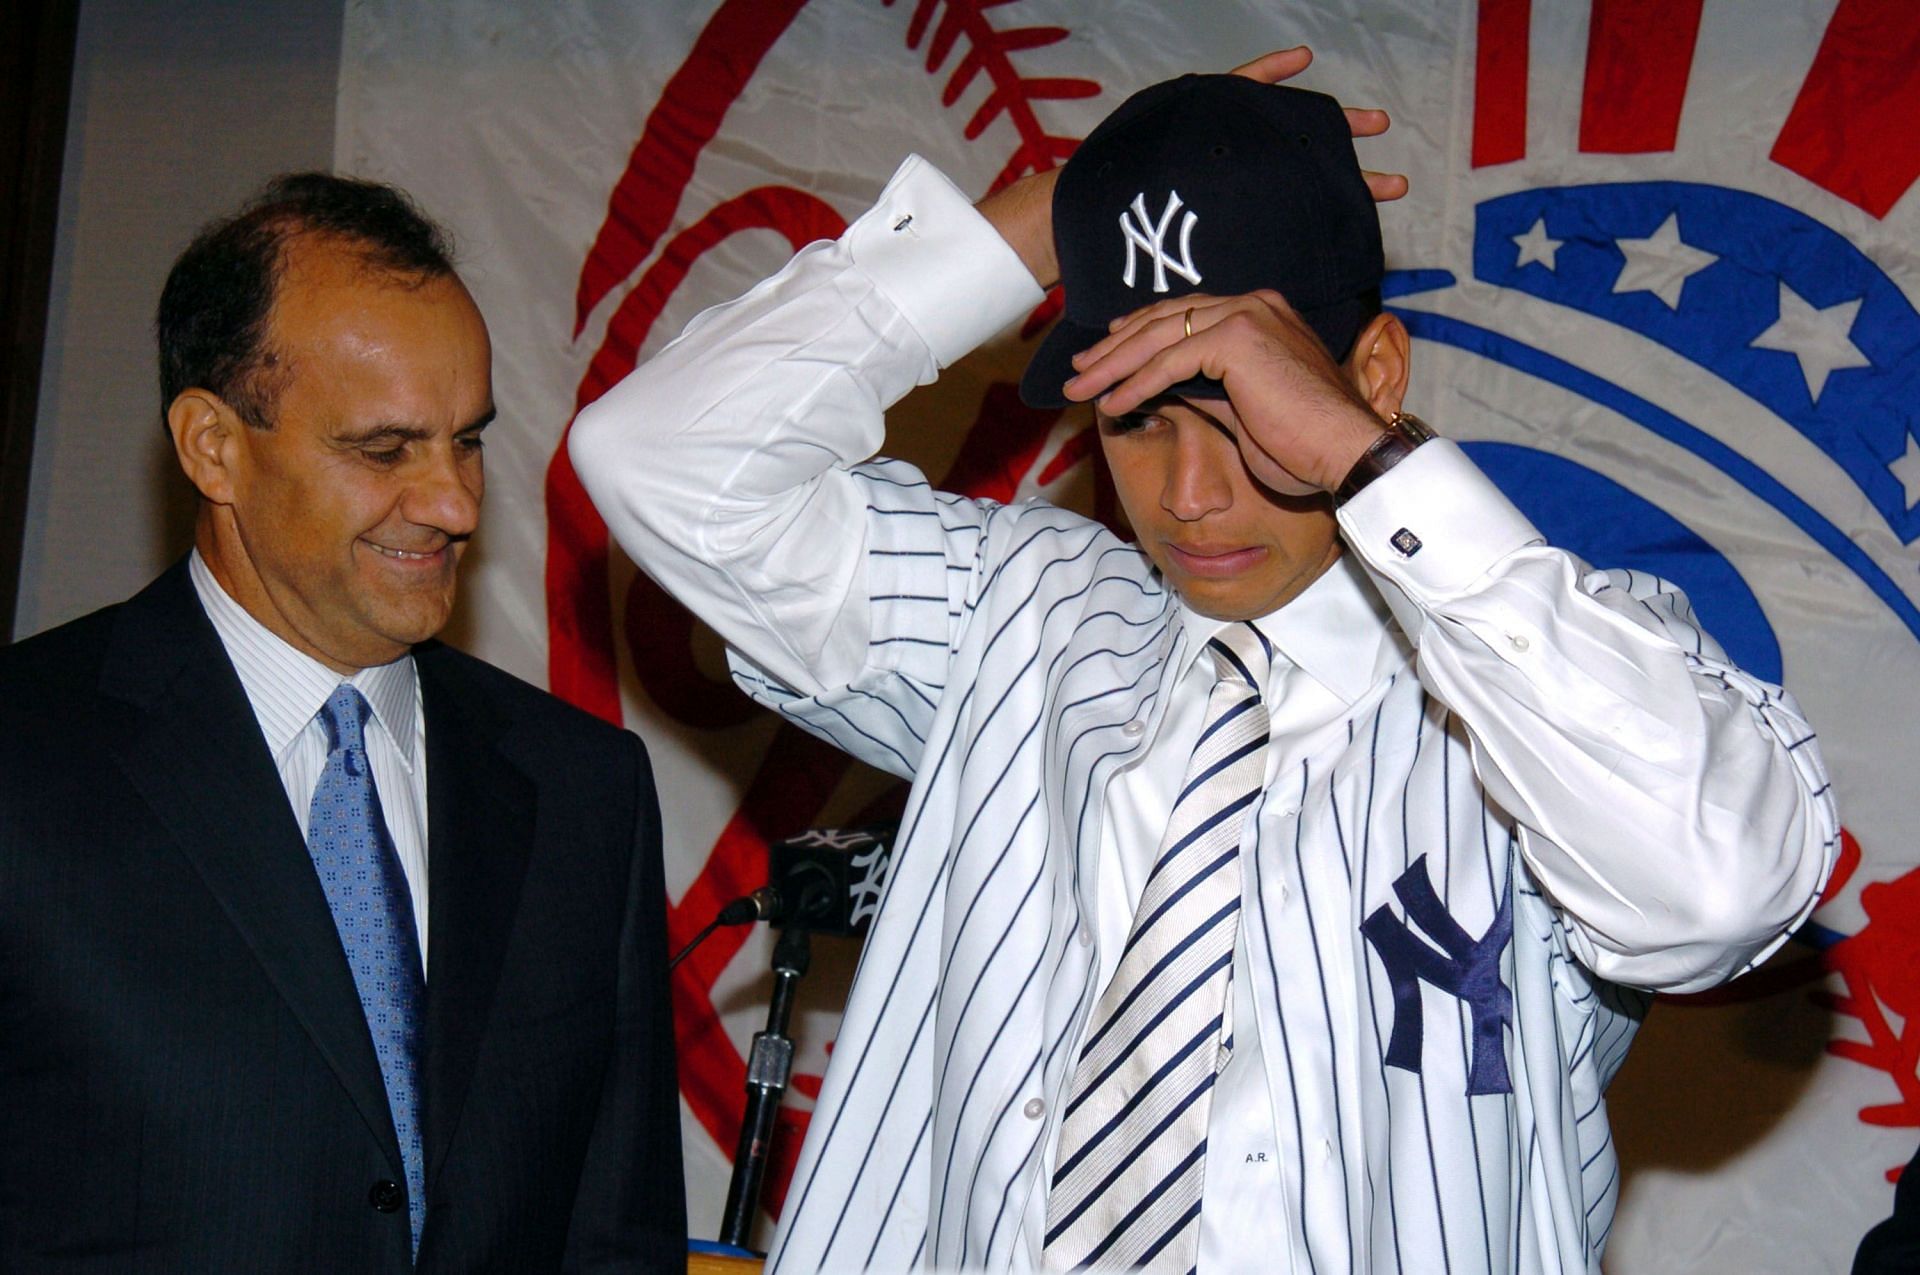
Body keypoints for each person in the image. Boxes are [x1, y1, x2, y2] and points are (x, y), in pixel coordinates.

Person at [571, 52, 1836, 1274]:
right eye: (1136, 417)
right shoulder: (1028, 611)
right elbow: (663, 462)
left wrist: (1365, 462)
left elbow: (1722, 886)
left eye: (1244, 410)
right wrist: (1063, 218)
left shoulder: (1542, 677)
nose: (1187, 494)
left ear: (1372, 378)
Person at [0, 173, 684, 1271]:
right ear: (212, 446)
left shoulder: (582, 789)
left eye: (467, 441)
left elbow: (615, 1238)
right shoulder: (27, 760)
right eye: (386, 449)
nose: (456, 503)